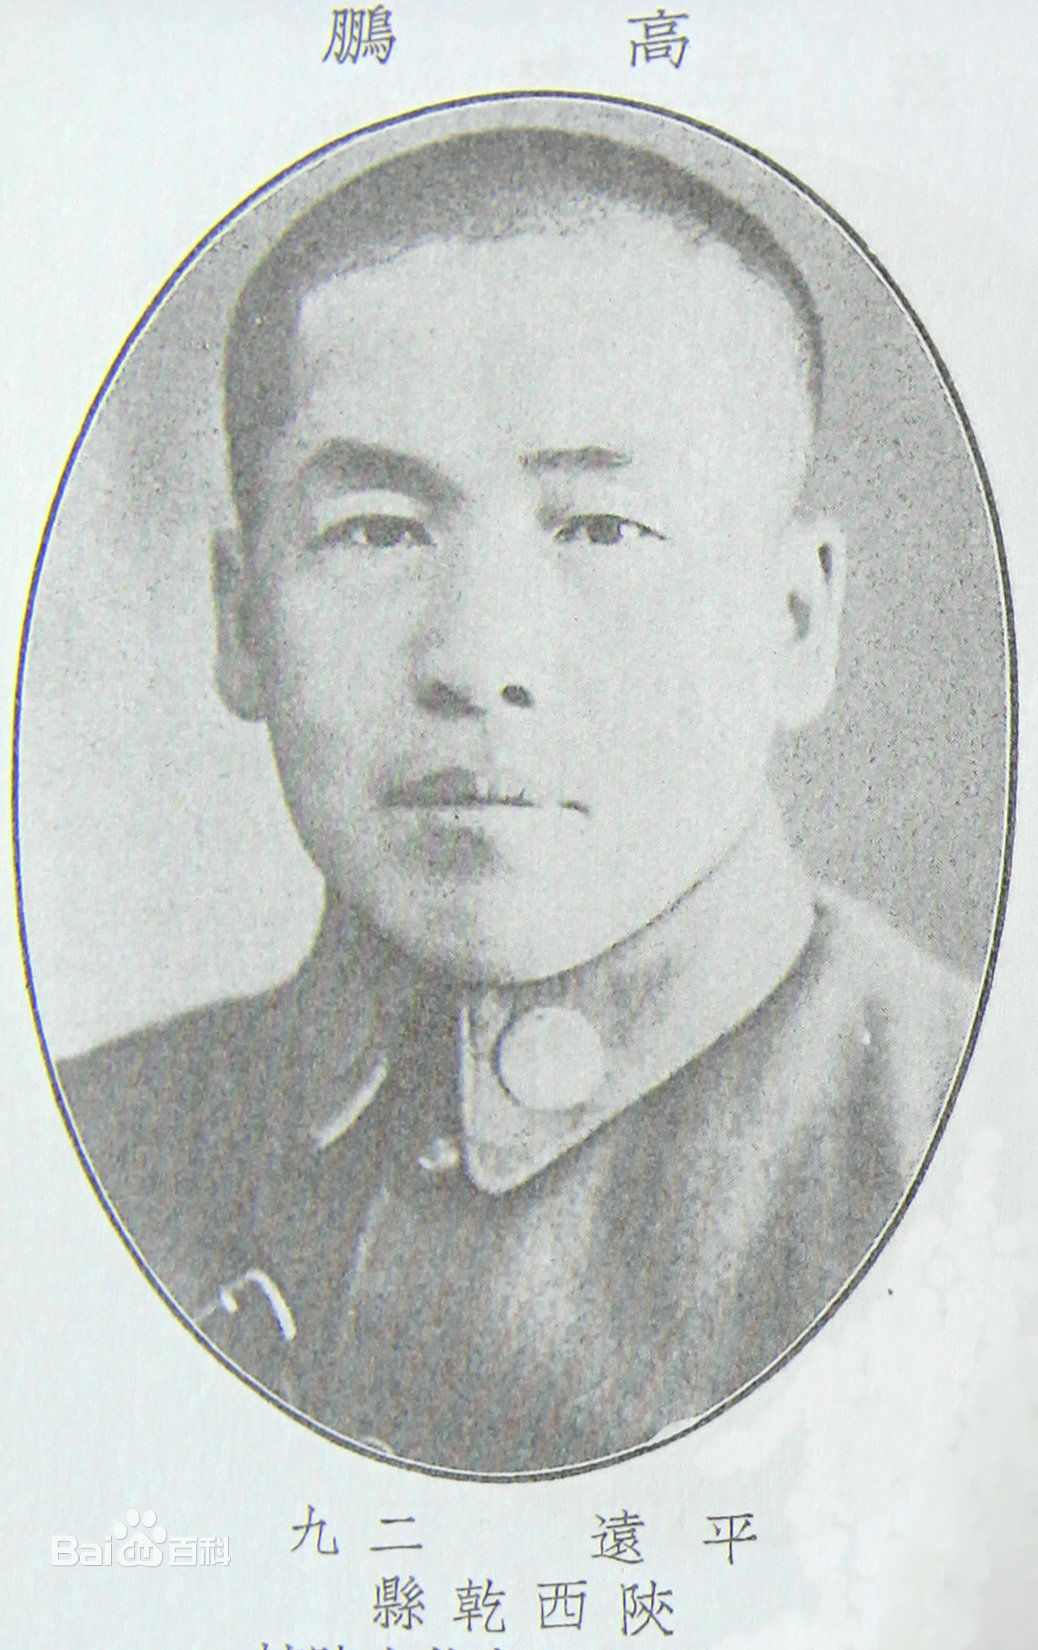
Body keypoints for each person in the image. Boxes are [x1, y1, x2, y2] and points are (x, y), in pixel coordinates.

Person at [60, 121, 975, 1475]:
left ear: (793, 620)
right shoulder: (87, 1152)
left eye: (602, 529)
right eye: (377, 529)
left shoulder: (975, 1148)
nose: (481, 661)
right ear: (241, 622)